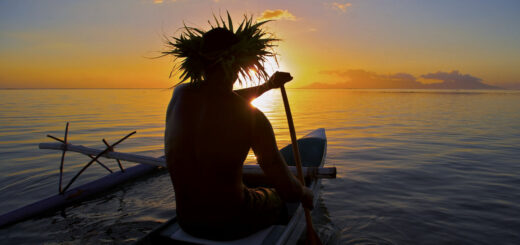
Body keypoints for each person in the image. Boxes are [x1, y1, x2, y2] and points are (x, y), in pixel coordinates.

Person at [164, 20, 314, 241]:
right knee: (278, 196)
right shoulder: (252, 117)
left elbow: (219, 100)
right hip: (231, 223)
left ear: (200, 63)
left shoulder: (179, 96)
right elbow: (288, 190)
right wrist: (305, 192)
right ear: (238, 65)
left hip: (187, 221)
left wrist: (267, 86)